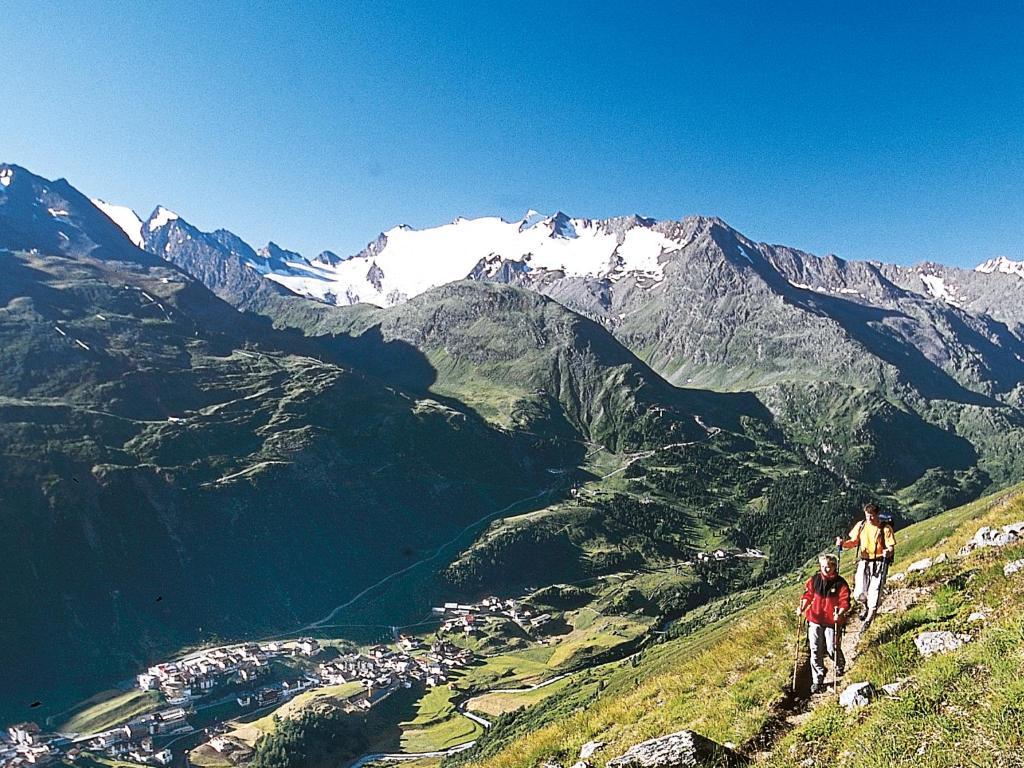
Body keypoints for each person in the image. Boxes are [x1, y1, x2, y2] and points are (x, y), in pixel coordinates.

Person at [836, 502, 895, 634]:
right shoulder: (861, 525)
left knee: (875, 590)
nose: (869, 518)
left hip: (880, 562)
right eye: (867, 516)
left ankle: (869, 619)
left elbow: (891, 546)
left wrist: (888, 552)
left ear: (877, 514)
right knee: (858, 593)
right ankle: (866, 606)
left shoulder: (885, 529)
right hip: (864, 561)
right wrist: (843, 544)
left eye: (872, 516)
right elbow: (854, 541)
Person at [797, 553, 850, 694]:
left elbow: (845, 601)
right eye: (823, 566)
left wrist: (840, 612)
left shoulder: (840, 583)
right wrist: (802, 607)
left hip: (832, 621)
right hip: (814, 619)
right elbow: (808, 595)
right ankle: (817, 680)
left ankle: (839, 663)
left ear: (834, 567)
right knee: (815, 649)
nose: (825, 569)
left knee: (832, 647)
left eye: (828, 567)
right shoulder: (814, 580)